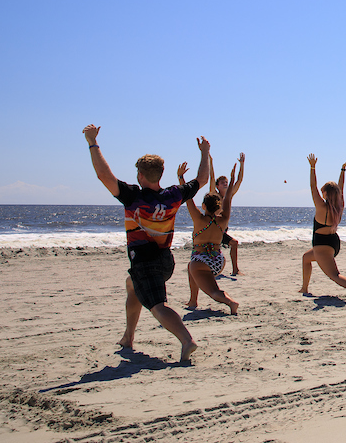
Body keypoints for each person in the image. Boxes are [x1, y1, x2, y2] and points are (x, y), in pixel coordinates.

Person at [82, 124, 202, 363]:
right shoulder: (173, 195)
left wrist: (92, 142)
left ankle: (187, 340)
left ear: (140, 175)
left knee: (158, 306)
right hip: (166, 260)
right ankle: (128, 337)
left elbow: (104, 176)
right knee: (131, 286)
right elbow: (203, 178)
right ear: (161, 173)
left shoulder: (134, 196)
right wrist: (205, 153)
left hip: (145, 262)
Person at [182, 154, 243, 314]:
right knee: (191, 268)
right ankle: (193, 300)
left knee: (213, 291)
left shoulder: (198, 219)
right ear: (217, 206)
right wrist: (232, 178)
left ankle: (231, 303)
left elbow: (188, 198)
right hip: (219, 261)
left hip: (202, 260)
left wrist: (181, 179)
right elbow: (228, 198)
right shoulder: (223, 219)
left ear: (203, 206)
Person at [299, 154, 346, 300]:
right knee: (306, 258)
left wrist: (312, 167)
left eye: (323, 191)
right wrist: (343, 170)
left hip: (322, 245)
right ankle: (304, 287)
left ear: (325, 193)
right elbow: (341, 188)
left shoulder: (321, 206)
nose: (320, 193)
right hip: (333, 242)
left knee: (334, 275)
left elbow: (312, 186)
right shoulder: (339, 207)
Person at [213, 164, 242, 276]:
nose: (225, 184)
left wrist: (242, 165)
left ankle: (235, 269)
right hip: (214, 229)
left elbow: (239, 181)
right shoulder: (215, 196)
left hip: (223, 230)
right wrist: (210, 160)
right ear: (217, 186)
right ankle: (235, 270)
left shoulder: (229, 196)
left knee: (232, 244)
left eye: (226, 182)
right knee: (233, 243)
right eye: (222, 183)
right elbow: (211, 178)